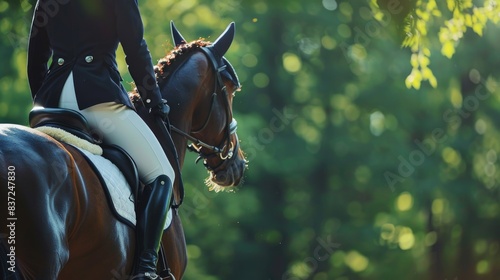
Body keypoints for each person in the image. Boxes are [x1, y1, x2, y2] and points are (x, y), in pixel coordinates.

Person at [27, 0, 173, 278]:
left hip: (53, 102)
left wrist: (45, 105)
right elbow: (135, 49)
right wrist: (154, 99)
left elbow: (35, 58)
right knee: (162, 175)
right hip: (98, 97)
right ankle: (146, 268)